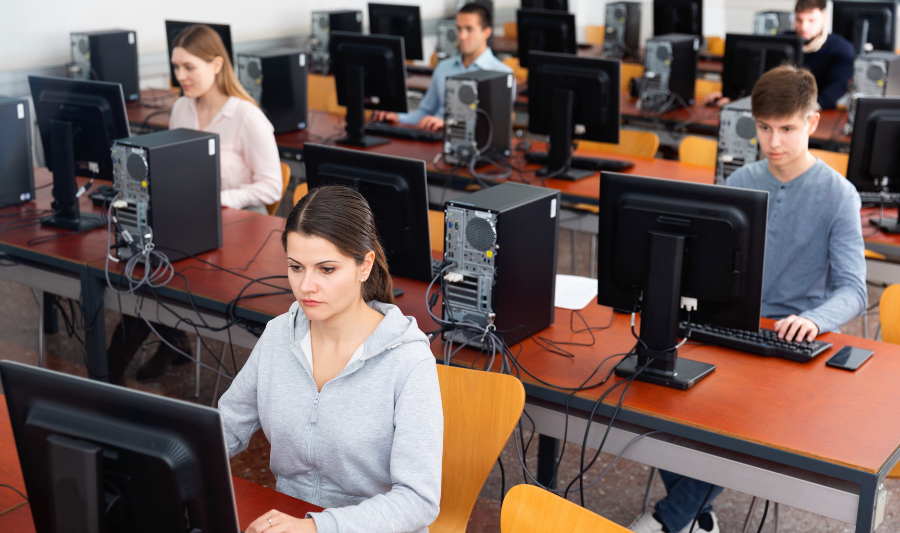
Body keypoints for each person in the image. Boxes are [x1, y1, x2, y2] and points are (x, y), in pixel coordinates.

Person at [630, 65, 866, 533]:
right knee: (654, 391)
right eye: (763, 128)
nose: (773, 142)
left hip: (794, 340)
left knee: (743, 419)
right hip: (733, 327)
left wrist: (814, 319)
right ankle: (697, 518)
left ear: (813, 122)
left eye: (787, 129)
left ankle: (670, 520)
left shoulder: (839, 195)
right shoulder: (740, 183)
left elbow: (854, 290)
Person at [220, 185, 444, 533]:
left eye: (326, 269)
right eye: (296, 267)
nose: (306, 285)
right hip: (292, 520)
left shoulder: (407, 361)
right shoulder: (279, 335)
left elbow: (418, 499)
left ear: (364, 265)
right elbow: (226, 426)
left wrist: (316, 528)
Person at [107, 24, 283, 385]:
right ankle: (170, 343)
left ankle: (113, 366)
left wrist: (219, 199)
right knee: (148, 269)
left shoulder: (247, 116)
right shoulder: (182, 108)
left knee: (158, 273)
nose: (180, 76)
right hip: (188, 223)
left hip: (237, 232)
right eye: (176, 67)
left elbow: (272, 187)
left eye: (189, 67)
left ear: (217, 65)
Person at [372, 2, 512, 131]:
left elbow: (494, 127)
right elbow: (425, 111)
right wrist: (399, 117)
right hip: (435, 136)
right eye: (459, 29)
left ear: (487, 32)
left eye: (469, 29)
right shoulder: (444, 67)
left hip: (469, 143)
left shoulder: (501, 75)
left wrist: (448, 124)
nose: (462, 36)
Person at [704, 0, 854, 109]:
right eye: (799, 20)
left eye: (811, 20)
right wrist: (734, 96)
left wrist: (811, 106)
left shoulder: (841, 48)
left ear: (825, 18)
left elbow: (838, 86)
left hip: (817, 112)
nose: (804, 27)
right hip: (777, 109)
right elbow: (760, 76)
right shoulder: (781, 42)